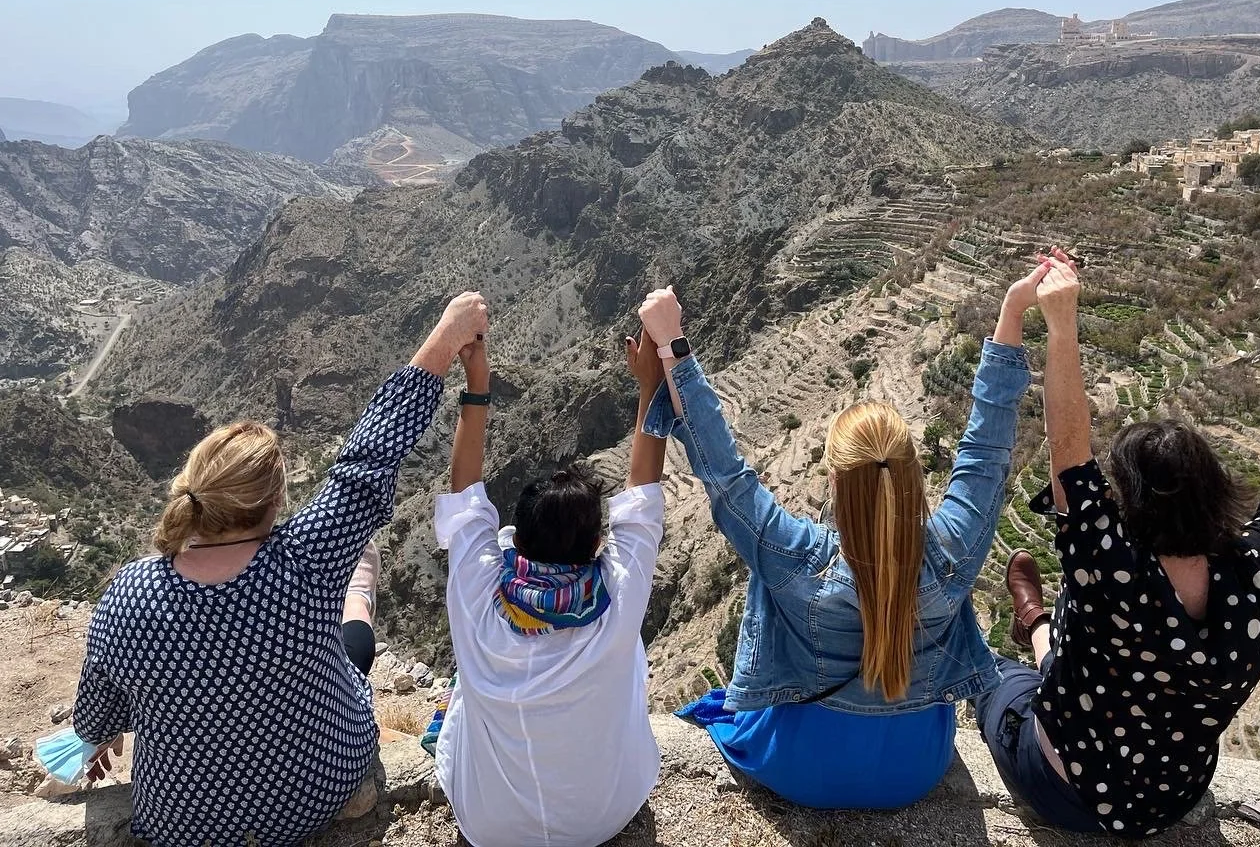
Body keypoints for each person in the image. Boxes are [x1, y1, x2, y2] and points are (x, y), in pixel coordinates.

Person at [977, 248, 1260, 837]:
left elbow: (1067, 439)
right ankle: (1038, 623)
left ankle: (1035, 629)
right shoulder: (1257, 568)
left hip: (1066, 791)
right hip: (1172, 799)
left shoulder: (1107, 563)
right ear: (1215, 490)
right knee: (1088, 648)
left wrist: (1061, 322)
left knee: (990, 676)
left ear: (1126, 502)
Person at [71, 292, 490, 847]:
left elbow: (98, 711)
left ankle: (354, 595)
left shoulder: (129, 595)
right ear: (272, 502)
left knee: (333, 635)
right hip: (320, 786)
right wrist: (446, 337)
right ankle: (357, 592)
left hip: (184, 821)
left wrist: (99, 736)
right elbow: (368, 460)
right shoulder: (303, 558)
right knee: (347, 636)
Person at [636, 265, 1046, 809]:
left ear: (833, 480)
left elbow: (725, 474)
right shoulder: (951, 553)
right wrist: (1011, 315)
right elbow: (987, 455)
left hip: (802, 767)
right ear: (912, 476)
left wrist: (673, 347)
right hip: (914, 767)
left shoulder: (797, 559)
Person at [433, 320, 668, 847]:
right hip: (608, 812)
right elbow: (642, 500)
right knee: (631, 652)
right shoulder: (617, 596)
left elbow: (466, 496)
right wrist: (651, 387)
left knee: (463, 688)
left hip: (491, 829)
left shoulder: (479, 600)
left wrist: (477, 382)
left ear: (519, 544)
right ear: (593, 550)